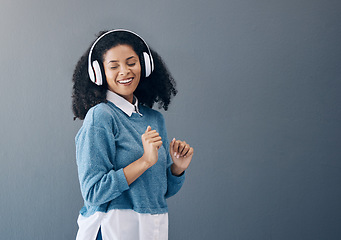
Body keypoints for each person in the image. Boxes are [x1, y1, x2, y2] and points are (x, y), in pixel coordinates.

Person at [71, 29, 194, 240]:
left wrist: (177, 169)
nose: (125, 71)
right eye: (114, 66)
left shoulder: (154, 119)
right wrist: (145, 161)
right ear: (99, 73)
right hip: (112, 229)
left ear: (144, 65)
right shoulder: (101, 116)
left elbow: (159, 192)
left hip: (152, 227)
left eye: (131, 62)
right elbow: (93, 193)